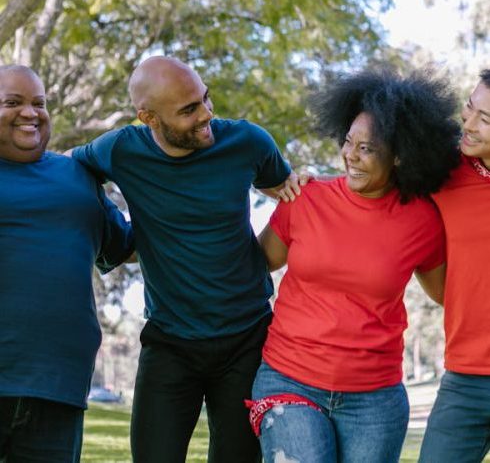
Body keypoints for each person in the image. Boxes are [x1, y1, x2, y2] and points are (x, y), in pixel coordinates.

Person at [70, 56, 295, 463]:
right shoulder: (120, 150)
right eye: (189, 109)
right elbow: (69, 173)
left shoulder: (247, 142)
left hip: (248, 338)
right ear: (149, 118)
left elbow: (289, 190)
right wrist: (119, 241)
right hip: (169, 341)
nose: (206, 114)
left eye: (205, 99)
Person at [247, 68, 461, 463]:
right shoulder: (304, 199)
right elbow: (254, 264)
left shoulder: (422, 220)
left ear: (398, 155)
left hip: (374, 399)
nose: (351, 156)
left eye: (368, 149)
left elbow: (448, 293)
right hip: (289, 379)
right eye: (348, 142)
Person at [0, 65, 134, 463]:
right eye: (13, 102)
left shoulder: (77, 175)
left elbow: (128, 245)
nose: (30, 113)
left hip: (58, 384)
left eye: (39, 103)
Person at [419, 70, 490, 463]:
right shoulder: (441, 173)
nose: (469, 123)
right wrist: (301, 183)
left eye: (485, 118)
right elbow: (369, 184)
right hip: (464, 379)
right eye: (469, 108)